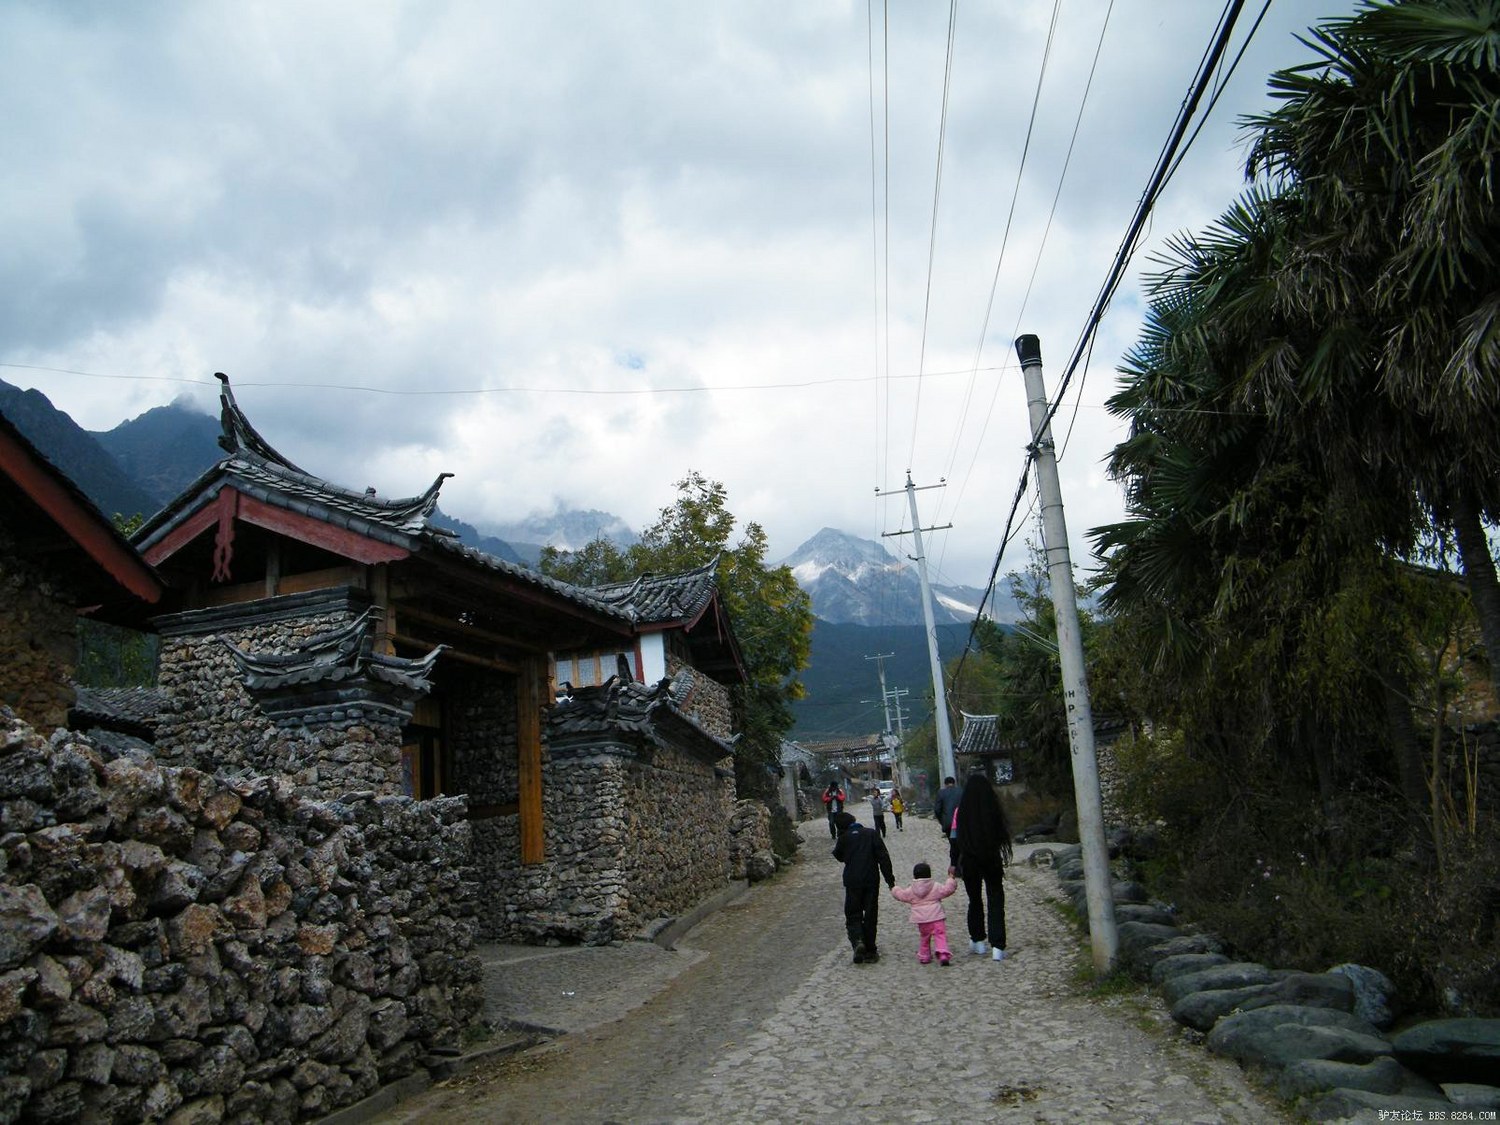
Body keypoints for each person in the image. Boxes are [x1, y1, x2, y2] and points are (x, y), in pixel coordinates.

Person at [952, 771, 1014, 961]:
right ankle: (998, 946)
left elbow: (954, 841)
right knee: (995, 899)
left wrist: (954, 863)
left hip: (969, 861)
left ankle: (977, 941)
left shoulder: (960, 811)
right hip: (991, 859)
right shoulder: (993, 808)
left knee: (974, 899)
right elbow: (1002, 835)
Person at [831, 810, 895, 964]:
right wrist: (890, 881)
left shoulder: (844, 838)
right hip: (871, 879)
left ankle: (858, 940)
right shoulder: (871, 834)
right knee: (871, 913)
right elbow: (883, 857)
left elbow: (838, 855)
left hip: (852, 881)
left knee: (853, 913)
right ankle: (871, 950)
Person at [890, 861, 957, 965]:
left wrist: (895, 889)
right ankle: (943, 954)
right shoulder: (935, 886)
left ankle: (924, 956)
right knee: (940, 935)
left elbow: (902, 895)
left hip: (922, 920)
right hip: (936, 917)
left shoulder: (911, 890)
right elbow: (948, 890)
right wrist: (951, 879)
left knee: (924, 937)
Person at [933, 775, 962, 867]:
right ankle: (962, 865)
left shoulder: (941, 793)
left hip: (949, 824)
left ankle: (955, 867)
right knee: (962, 844)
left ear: (945, 784)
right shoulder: (961, 791)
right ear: (954, 783)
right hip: (961, 822)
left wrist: (942, 821)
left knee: (953, 845)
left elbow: (937, 810)